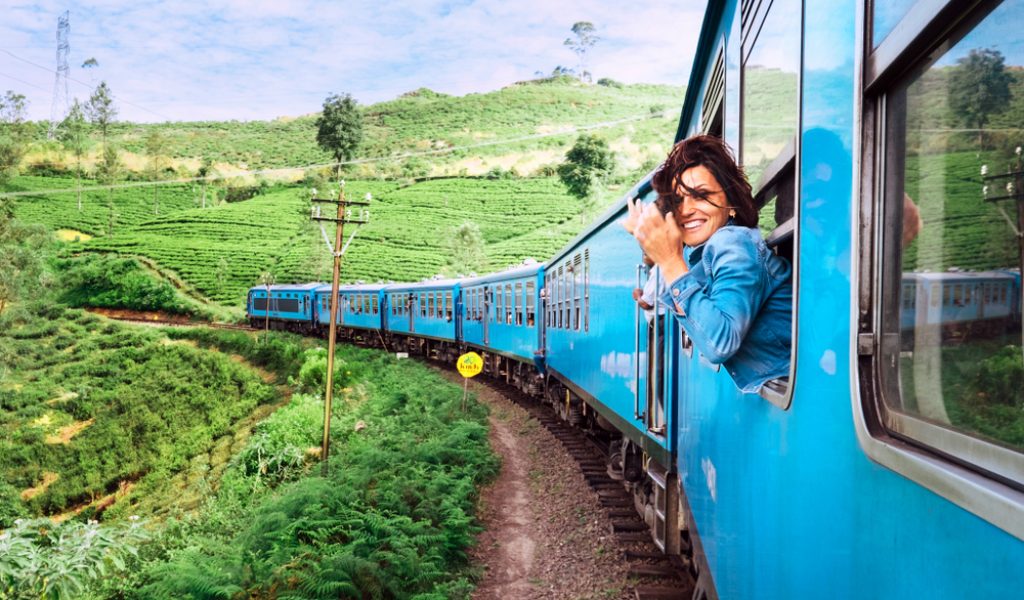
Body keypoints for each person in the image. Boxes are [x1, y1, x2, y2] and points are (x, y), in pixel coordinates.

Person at [624, 135, 792, 393]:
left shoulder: (732, 242)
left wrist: (669, 261)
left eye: (701, 196)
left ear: (731, 203)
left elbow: (719, 344)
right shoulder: (710, 251)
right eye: (678, 201)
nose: (686, 210)